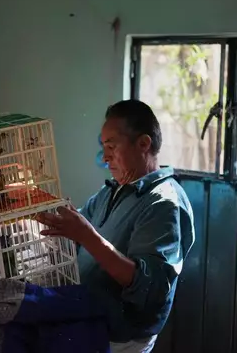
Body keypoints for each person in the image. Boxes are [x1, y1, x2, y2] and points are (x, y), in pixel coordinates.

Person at [36, 99, 195, 353]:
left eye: (111, 146)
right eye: (104, 147)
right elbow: (73, 229)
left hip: (120, 340)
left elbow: (149, 288)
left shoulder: (163, 204)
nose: (105, 156)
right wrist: (34, 203)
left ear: (143, 144)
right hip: (87, 324)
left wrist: (88, 237)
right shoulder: (112, 190)